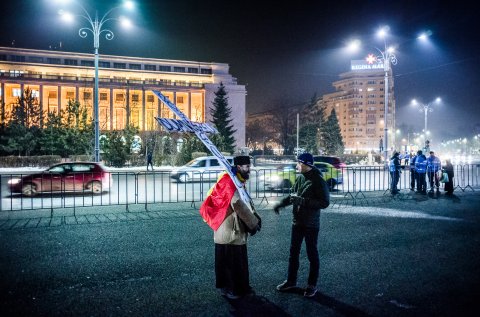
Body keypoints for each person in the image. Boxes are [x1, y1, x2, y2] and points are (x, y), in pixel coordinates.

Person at [199, 155, 261, 300]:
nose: (249, 169)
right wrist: (253, 223)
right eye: (247, 167)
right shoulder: (230, 181)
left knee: (233, 261)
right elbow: (238, 204)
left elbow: (245, 202)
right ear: (239, 167)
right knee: (232, 263)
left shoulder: (234, 179)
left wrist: (256, 217)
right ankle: (232, 289)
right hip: (229, 230)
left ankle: (239, 288)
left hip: (230, 229)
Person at [273, 153, 330, 298]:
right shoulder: (300, 178)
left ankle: (312, 285)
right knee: (293, 254)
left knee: (312, 254)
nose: (297, 166)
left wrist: (303, 201)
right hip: (297, 222)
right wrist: (280, 204)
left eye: (299, 163)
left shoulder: (318, 180)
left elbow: (324, 202)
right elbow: (293, 196)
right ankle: (291, 281)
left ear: (306, 164)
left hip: (311, 224)